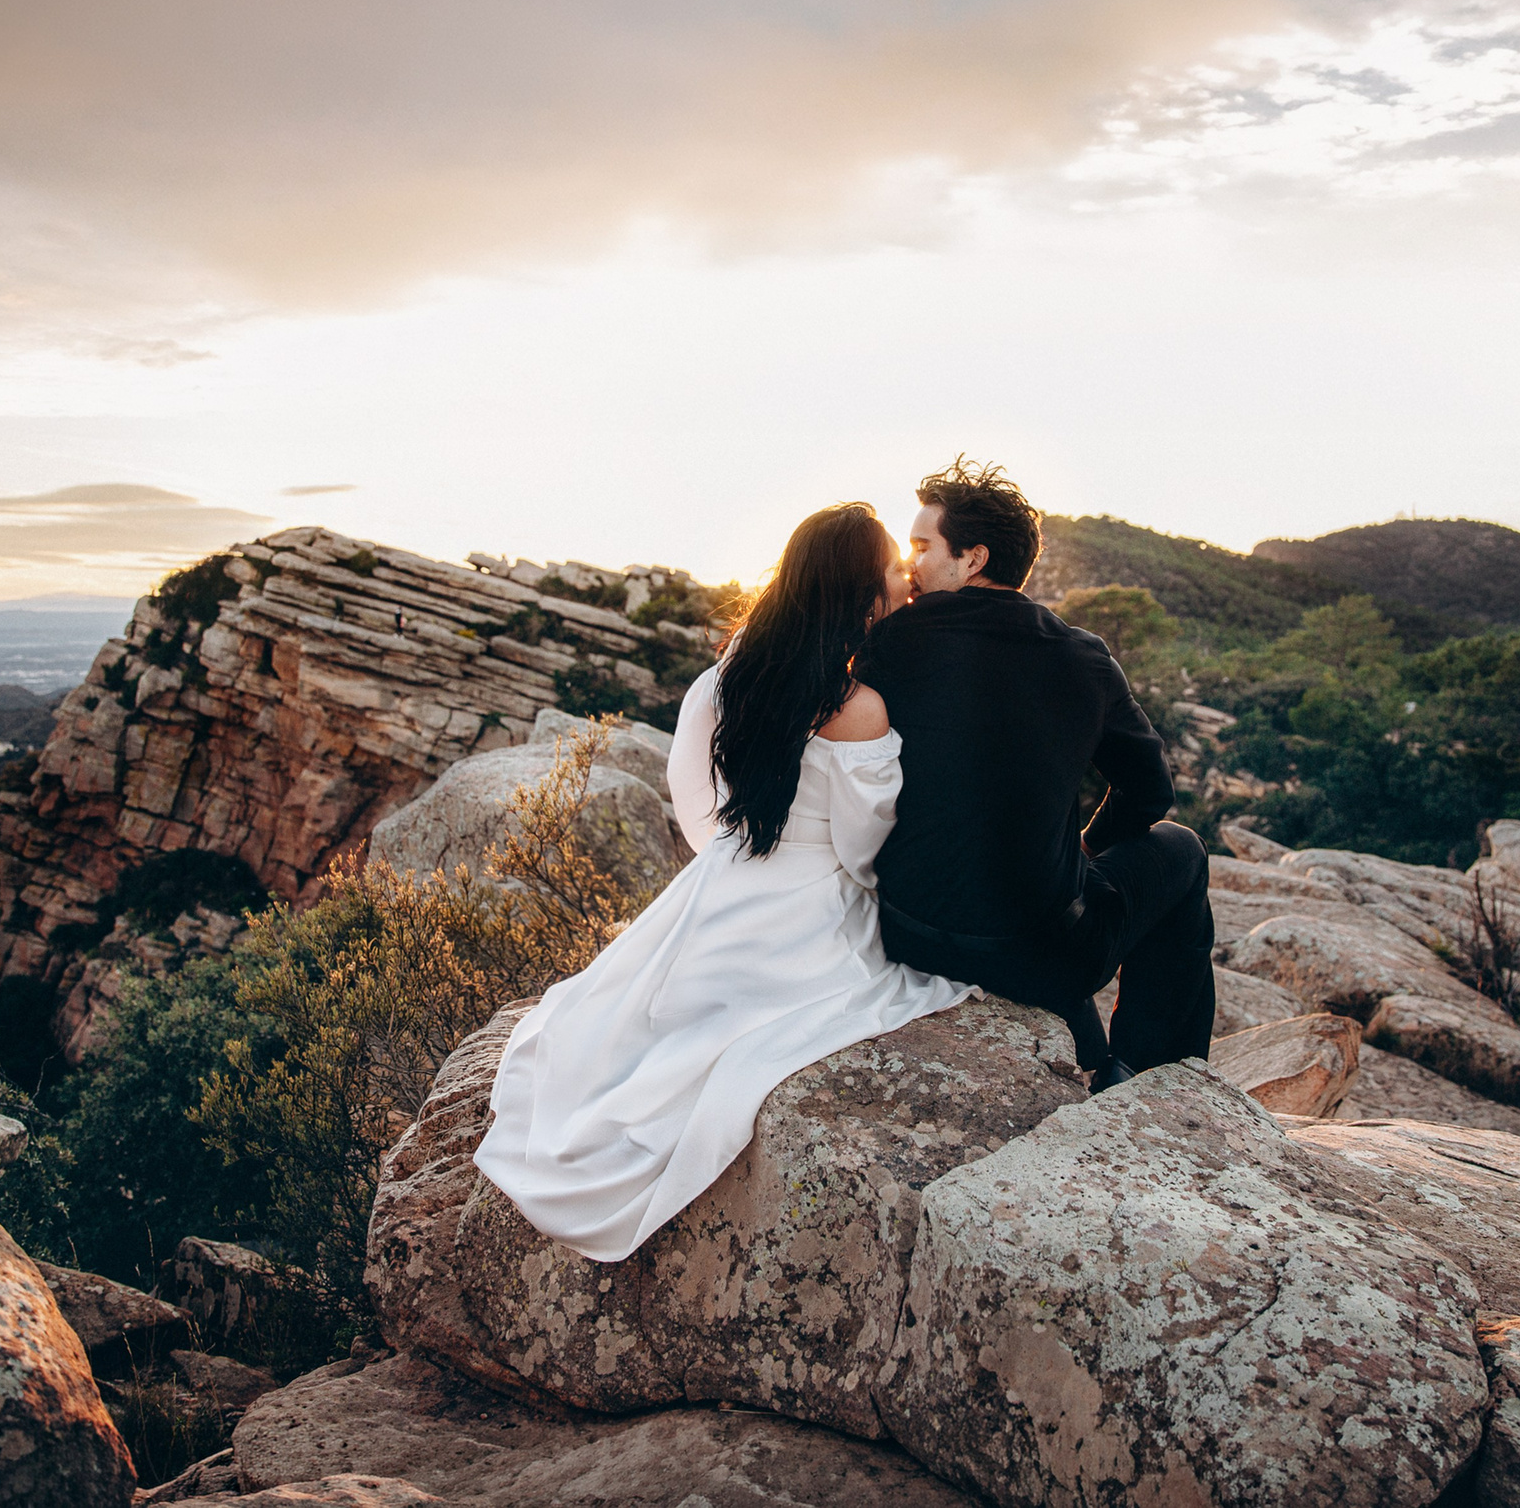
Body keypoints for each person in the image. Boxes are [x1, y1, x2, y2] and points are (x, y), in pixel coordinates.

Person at [473, 503, 972, 1262]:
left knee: (651, 1021)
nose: (905, 580)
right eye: (893, 572)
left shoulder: (735, 672)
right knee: (734, 1038)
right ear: (862, 594)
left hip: (722, 881)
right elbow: (862, 845)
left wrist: (731, 858)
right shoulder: (859, 708)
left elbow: (692, 790)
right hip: (808, 905)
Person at [855, 458, 1216, 1092]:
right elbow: (1150, 793)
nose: (911, 563)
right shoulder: (1084, 657)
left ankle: (1101, 1051)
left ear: (972, 559)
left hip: (907, 933)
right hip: (1037, 952)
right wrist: (1085, 848)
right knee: (1182, 849)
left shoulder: (889, 642)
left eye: (921, 546)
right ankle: (1153, 1076)